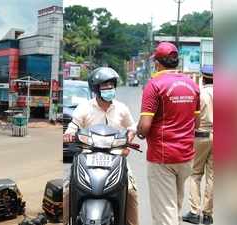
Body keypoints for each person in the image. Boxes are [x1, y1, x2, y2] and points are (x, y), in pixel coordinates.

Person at [63, 67, 139, 225]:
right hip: (87, 157)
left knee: (131, 192)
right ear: (96, 89)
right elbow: (73, 126)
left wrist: (130, 135)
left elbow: (132, 127)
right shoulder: (84, 108)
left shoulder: (121, 108)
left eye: (111, 85)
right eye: (105, 86)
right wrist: (69, 134)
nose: (109, 89)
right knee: (67, 191)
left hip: (116, 157)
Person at [137, 42, 200, 225]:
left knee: (165, 214)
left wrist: (139, 131)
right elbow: (195, 123)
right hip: (186, 157)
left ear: (157, 63)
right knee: (175, 208)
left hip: (162, 158)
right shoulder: (192, 84)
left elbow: (145, 126)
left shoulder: (154, 85)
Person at [182, 65, 213, 225]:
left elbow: (191, 118)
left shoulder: (199, 94)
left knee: (195, 174)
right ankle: (208, 215)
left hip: (201, 135)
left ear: (203, 77)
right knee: (212, 177)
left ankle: (195, 211)